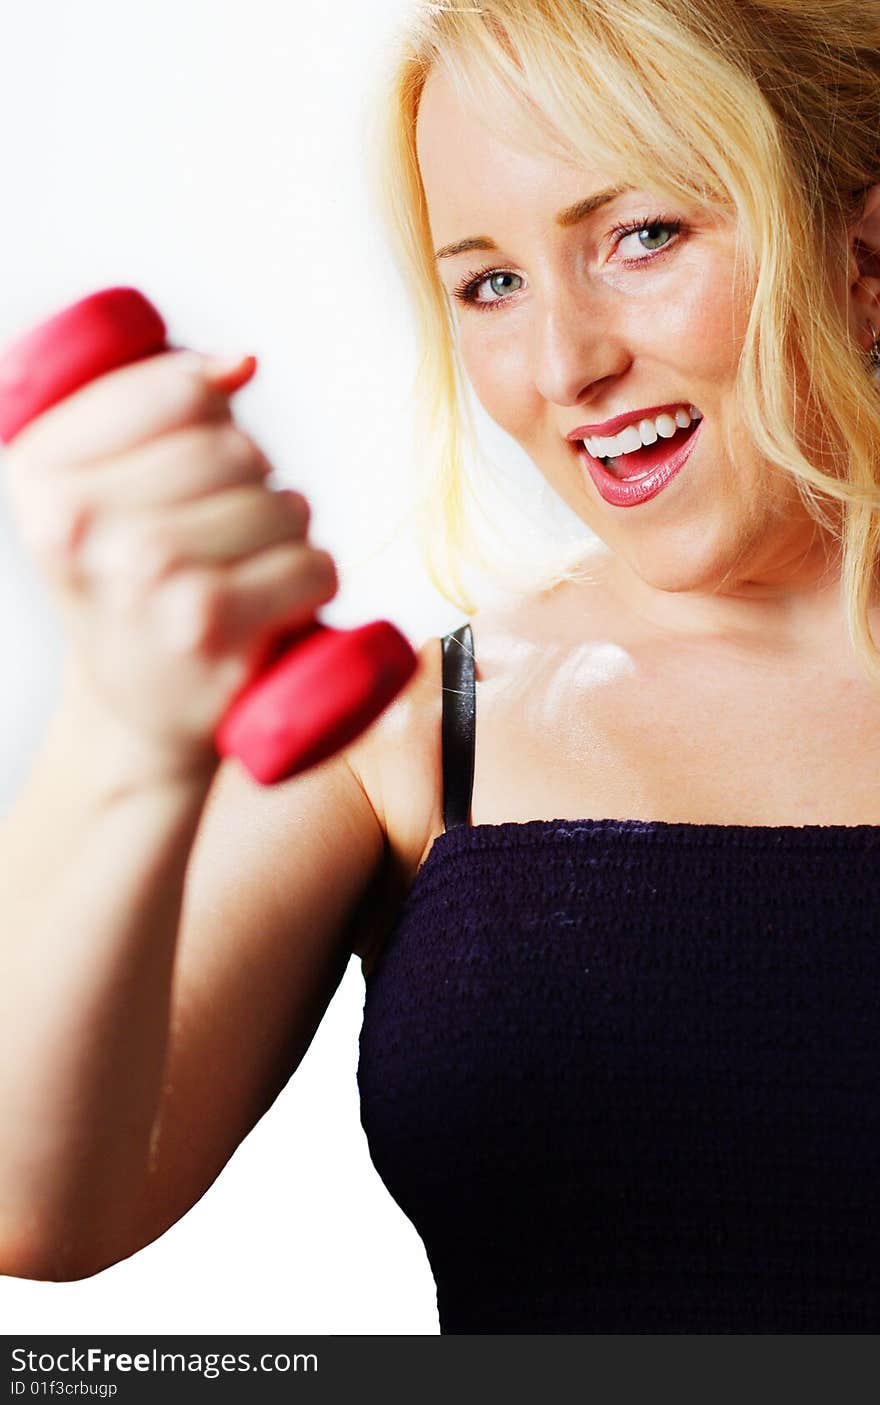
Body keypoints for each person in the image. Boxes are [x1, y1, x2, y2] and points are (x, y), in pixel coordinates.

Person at [1, 0, 879, 1333]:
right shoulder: (415, 730)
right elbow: (37, 1205)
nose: (562, 363)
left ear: (866, 254)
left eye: (642, 236)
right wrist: (120, 725)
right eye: (489, 282)